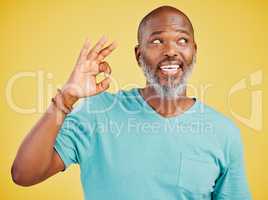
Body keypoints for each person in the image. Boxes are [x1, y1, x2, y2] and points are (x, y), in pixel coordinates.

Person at [11, 5, 252, 200]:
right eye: (157, 41)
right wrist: (66, 98)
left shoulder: (223, 132)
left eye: (182, 41)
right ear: (139, 55)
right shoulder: (98, 112)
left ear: (194, 51)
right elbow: (24, 174)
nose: (171, 51)